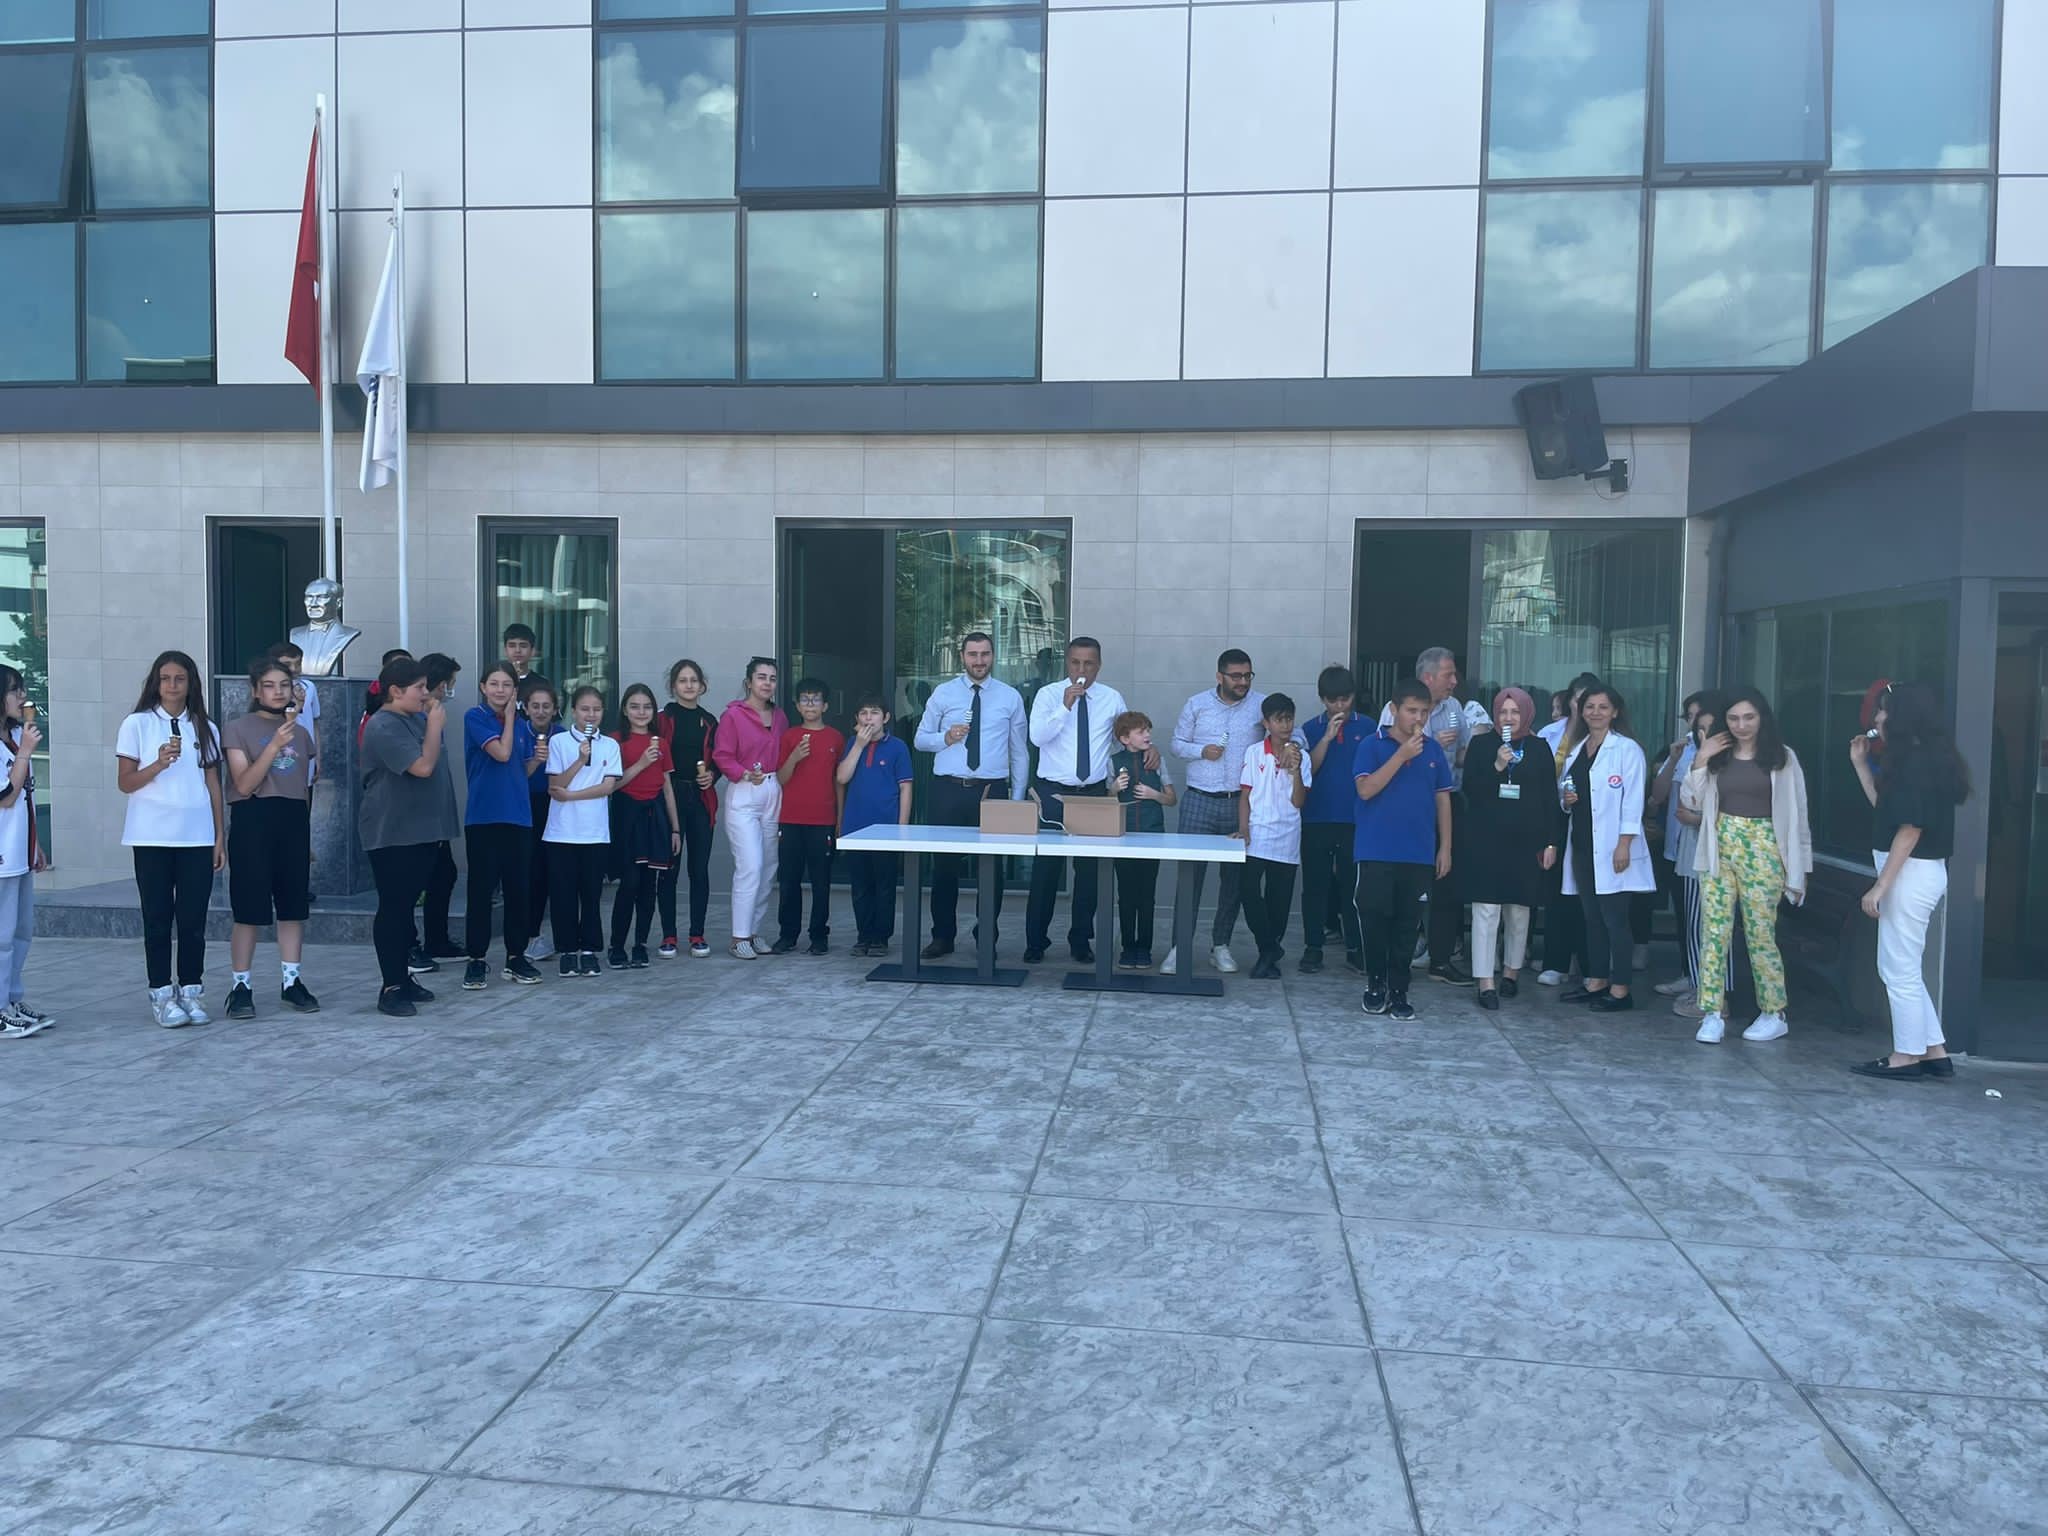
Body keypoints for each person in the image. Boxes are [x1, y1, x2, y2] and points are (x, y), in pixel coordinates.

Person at [1849, 681, 1969, 1079]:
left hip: (1908, 872)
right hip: (1915, 871)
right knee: (1904, 966)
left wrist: (1881, 885)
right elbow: (1887, 812)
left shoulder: (1915, 763)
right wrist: (1861, 765)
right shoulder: (1925, 757)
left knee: (1897, 967)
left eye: (1884, 710)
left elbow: (1910, 829)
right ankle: (1933, 1051)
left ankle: (1906, 1055)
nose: (1877, 717)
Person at [1680, 688, 1812, 1044]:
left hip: (1765, 849)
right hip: (1718, 848)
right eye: (1734, 718)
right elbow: (1690, 800)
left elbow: (1799, 816)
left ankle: (1773, 1011)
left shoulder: (1783, 758)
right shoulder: (1718, 755)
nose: (1741, 725)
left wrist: (1799, 871)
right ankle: (1711, 1012)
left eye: (1749, 717)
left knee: (1760, 932)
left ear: (1762, 717)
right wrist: (1702, 757)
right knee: (1713, 931)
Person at [116, 650, 225, 1028]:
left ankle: (191, 990)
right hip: (151, 836)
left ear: (191, 683)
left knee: (193, 920)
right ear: (155, 683)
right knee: (158, 917)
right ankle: (161, 993)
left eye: (180, 678)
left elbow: (213, 783)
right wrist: (159, 764)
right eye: (165, 678)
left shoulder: (205, 727)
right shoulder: (137, 724)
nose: (173, 685)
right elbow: (125, 782)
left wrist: (219, 835)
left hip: (196, 836)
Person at [913, 632, 1029, 959]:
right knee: (944, 867)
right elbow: (920, 740)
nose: (979, 661)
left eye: (985, 654)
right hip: (948, 790)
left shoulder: (1009, 697)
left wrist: (1017, 800)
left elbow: (1019, 751)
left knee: (991, 870)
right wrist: (945, 738)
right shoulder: (943, 693)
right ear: (962, 656)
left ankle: (986, 937)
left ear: (993, 656)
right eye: (973, 654)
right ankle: (942, 936)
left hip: (993, 792)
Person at [358, 656, 458, 1017]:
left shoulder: (414, 719)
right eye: (419, 688)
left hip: (423, 830)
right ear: (395, 691)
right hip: (393, 832)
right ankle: (392, 986)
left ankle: (404, 975)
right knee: (395, 907)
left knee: (406, 908)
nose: (426, 694)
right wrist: (435, 724)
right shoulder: (383, 725)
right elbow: (422, 766)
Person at [221, 657, 320, 1020]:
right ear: (255, 690)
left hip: (292, 821)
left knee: (293, 907)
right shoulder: (237, 729)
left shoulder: (302, 734)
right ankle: (241, 986)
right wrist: (275, 744)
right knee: (248, 910)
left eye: (284, 685)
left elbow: (303, 788)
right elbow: (244, 784)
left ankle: (291, 981)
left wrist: (305, 834)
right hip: (254, 819)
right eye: (269, 685)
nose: (278, 692)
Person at [1353, 678, 1454, 1022]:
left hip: (1418, 852)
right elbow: (1366, 790)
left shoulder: (1434, 751)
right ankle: (1375, 984)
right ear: (1394, 710)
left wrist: (1445, 847)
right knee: (1374, 919)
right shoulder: (1371, 745)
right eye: (1412, 711)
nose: (1418, 718)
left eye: (1424, 712)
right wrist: (1401, 755)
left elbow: (1443, 799)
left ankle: (1399, 990)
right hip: (1376, 850)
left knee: (1408, 926)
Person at [1026, 637, 1129, 965]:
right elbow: (1037, 737)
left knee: (1089, 872)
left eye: (1088, 663)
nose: (1081, 669)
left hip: (1093, 793)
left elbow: (1125, 739)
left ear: (1099, 666)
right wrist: (1065, 706)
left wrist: (1147, 749)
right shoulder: (1048, 695)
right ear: (1066, 663)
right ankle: (1035, 941)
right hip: (1053, 792)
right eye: (1075, 662)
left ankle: (1081, 940)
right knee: (1046, 869)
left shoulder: (1112, 698)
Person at [1167, 648, 1267, 975]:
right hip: (1199, 799)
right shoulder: (1197, 704)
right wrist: (1201, 750)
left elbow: (1289, 732)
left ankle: (1220, 945)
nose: (1243, 682)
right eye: (1236, 676)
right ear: (1219, 676)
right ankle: (1179, 947)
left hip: (1240, 802)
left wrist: (1292, 747)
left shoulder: (1261, 705)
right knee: (1189, 877)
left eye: (1247, 675)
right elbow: (1176, 744)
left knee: (1234, 880)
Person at [1380, 647, 1476, 986]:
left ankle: (1441, 959)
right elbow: (1388, 755)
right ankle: (1395, 960)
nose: (1455, 681)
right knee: (1405, 884)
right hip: (1408, 808)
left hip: (1447, 801)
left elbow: (1464, 752)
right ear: (1428, 677)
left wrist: (1470, 750)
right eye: (1449, 674)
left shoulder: (1454, 708)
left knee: (1446, 884)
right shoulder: (1394, 710)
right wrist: (1432, 741)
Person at [1558, 684, 1656, 1012]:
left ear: (1615, 712)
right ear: (1581, 711)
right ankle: (1596, 981)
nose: (1596, 713)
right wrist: (1566, 800)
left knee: (1615, 919)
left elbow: (1633, 800)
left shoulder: (1627, 750)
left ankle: (1621, 989)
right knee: (1592, 918)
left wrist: (1624, 844)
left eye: (1603, 707)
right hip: (1583, 845)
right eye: (1590, 707)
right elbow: (1567, 794)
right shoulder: (1577, 749)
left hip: (1614, 847)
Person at [1462, 686, 1559, 1010]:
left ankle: (1511, 973)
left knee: (1519, 910)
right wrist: (1497, 767)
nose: (1508, 717)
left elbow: (1549, 798)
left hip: (1526, 842)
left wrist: (1551, 842)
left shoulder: (1539, 748)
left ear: (1526, 713)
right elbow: (1470, 790)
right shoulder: (1481, 745)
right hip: (1486, 840)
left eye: (1515, 712)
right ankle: (1484, 981)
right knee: (1486, 910)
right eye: (1503, 711)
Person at [461, 662, 545, 990]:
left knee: (518, 890)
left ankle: (515, 956)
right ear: (483, 687)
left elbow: (518, 770)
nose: (500, 690)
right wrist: (510, 718)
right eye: (494, 684)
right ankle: (476, 958)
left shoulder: (522, 726)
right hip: (484, 816)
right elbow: (501, 753)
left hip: (518, 817)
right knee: (481, 891)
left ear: (515, 689)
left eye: (507, 685)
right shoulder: (476, 717)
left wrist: (536, 760)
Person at [545, 685, 622, 977]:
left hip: (594, 832)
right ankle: (567, 951)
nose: (591, 715)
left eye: (596, 709)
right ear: (573, 711)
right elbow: (555, 785)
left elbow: (608, 787)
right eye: (585, 709)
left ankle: (589, 950)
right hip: (561, 832)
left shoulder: (610, 745)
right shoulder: (559, 742)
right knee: (563, 895)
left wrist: (572, 796)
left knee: (591, 895)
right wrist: (579, 759)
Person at [713, 657, 788, 960]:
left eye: (772, 678)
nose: (767, 683)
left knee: (768, 868)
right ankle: (739, 937)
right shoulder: (733, 716)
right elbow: (722, 755)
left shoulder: (780, 716)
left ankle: (754, 932)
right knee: (751, 866)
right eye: (761, 677)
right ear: (749, 682)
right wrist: (744, 774)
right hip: (745, 791)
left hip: (773, 789)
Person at [1536, 670, 1603, 986]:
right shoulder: (1550, 733)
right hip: (1555, 819)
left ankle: (1591, 965)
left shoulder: (1606, 741)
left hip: (1592, 823)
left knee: (1588, 895)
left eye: (1592, 702)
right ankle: (1556, 962)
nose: (1585, 708)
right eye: (1580, 700)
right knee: (1557, 892)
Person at [1237, 693, 1310, 980]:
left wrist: (1295, 771)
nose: (1285, 725)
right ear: (1266, 723)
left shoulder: (1301, 756)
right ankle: (1269, 947)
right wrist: (1244, 829)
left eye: (1289, 719)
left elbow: (1299, 801)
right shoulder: (1254, 752)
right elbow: (1245, 795)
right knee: (1248, 892)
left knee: (1278, 901)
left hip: (1287, 836)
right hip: (1257, 835)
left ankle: (1267, 955)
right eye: (1279, 720)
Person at [608, 683, 681, 969]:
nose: (641, 712)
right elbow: (611, 786)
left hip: (655, 816)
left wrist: (675, 829)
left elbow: (667, 788)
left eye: (647, 707)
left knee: (649, 885)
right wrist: (640, 764)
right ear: (625, 710)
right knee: (629, 883)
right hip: (627, 815)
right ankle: (616, 946)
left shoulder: (660, 743)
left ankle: (640, 944)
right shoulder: (614, 741)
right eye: (635, 706)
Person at [838, 694, 914, 956]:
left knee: (884, 886)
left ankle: (881, 938)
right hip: (855, 828)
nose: (868, 718)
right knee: (860, 887)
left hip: (887, 829)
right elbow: (842, 777)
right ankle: (863, 936)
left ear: (886, 717)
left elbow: (905, 788)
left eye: (874, 712)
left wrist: (902, 829)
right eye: (863, 713)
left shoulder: (898, 747)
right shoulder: (852, 744)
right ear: (856, 718)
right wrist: (859, 745)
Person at [1299, 666, 1363, 975]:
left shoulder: (1368, 727)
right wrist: (1326, 737)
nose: (1340, 706)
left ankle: (1356, 948)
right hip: (1316, 818)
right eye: (1333, 700)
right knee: (1315, 885)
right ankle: (1313, 947)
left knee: (1352, 886)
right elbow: (1306, 771)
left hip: (1355, 819)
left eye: (1345, 699)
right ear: (1322, 699)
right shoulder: (1308, 729)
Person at [774, 678, 844, 955]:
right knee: (789, 881)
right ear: (797, 705)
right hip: (790, 819)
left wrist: (840, 819)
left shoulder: (835, 738)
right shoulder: (789, 736)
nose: (810, 704)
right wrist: (794, 757)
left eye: (816, 699)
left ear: (825, 705)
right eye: (805, 699)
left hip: (823, 820)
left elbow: (839, 781)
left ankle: (819, 936)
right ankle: (787, 935)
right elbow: (781, 778)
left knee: (821, 882)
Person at [0, 668, 52, 1038]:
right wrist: (26, 753)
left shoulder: (18, 736)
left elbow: (27, 799)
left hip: (20, 849)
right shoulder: (19, 745)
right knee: (1, 936)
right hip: (2, 854)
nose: (22, 697)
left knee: (21, 932)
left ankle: (11, 1000)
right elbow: (7, 797)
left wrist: (36, 845)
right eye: (14, 691)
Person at [658, 659, 719, 959]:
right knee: (669, 869)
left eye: (694, 680)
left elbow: (719, 758)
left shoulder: (709, 721)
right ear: (673, 686)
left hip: (700, 798)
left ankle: (697, 934)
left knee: (699, 870)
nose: (689, 685)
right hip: (669, 797)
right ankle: (669, 935)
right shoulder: (662, 717)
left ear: (702, 685)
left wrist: (713, 775)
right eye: (683, 680)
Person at [1108, 711, 1176, 970]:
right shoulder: (1112, 762)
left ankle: (1144, 948)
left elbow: (1171, 799)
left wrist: (1153, 794)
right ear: (1125, 738)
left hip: (1152, 835)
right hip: (1122, 836)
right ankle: (1127, 948)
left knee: (1147, 895)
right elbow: (1103, 803)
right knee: (1126, 895)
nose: (1148, 735)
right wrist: (1114, 789)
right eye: (1141, 731)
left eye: (1148, 730)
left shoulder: (1157, 761)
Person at [409, 653, 464, 971]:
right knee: (414, 881)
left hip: (436, 811)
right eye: (449, 683)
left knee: (444, 874)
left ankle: (437, 939)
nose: (449, 690)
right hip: (416, 815)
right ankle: (409, 945)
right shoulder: (414, 717)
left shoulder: (434, 715)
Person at [520, 681, 561, 960]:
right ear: (526, 708)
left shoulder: (563, 735)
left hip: (557, 805)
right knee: (530, 872)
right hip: (525, 807)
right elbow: (514, 775)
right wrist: (535, 759)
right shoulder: (517, 733)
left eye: (546, 706)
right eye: (535, 706)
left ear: (555, 709)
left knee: (552, 873)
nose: (541, 711)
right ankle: (528, 935)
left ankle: (558, 937)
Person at [502, 623, 550, 705]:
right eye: (512, 646)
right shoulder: (497, 682)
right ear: (505, 651)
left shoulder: (542, 683)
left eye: (523, 646)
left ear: (532, 651)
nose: (517, 650)